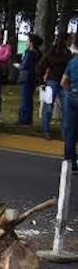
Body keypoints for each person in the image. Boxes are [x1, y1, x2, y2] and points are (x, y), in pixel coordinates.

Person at [36, 34, 72, 139]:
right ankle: (45, 130)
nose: (70, 42)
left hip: (64, 82)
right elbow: (41, 66)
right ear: (64, 40)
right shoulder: (52, 52)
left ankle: (65, 132)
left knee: (66, 107)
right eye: (69, 40)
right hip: (53, 80)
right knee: (48, 106)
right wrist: (41, 81)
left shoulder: (68, 53)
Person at [60, 38, 78, 173]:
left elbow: (63, 82)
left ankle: (69, 162)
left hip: (72, 97)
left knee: (70, 130)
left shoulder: (72, 62)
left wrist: (70, 91)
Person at [17, 34, 43, 126]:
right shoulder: (37, 53)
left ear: (31, 43)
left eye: (28, 40)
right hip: (31, 78)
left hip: (26, 77)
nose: (26, 42)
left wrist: (19, 66)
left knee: (25, 99)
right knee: (27, 99)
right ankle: (26, 118)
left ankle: (24, 119)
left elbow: (25, 65)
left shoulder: (30, 53)